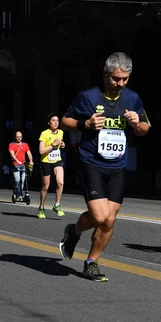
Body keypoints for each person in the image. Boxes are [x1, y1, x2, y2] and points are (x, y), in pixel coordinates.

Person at [59, 52, 150, 282]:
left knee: (109, 220)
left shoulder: (133, 98)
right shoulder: (87, 97)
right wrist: (85, 123)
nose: (120, 84)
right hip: (91, 162)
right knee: (101, 218)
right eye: (116, 79)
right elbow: (64, 121)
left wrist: (136, 124)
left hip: (118, 165)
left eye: (125, 79)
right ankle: (75, 231)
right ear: (105, 74)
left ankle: (91, 261)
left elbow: (145, 129)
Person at [38, 114, 66, 218]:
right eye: (53, 121)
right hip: (46, 161)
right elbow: (41, 151)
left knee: (60, 182)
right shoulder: (44, 134)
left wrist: (62, 144)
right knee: (46, 186)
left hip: (57, 160)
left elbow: (60, 143)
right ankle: (41, 207)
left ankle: (57, 205)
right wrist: (53, 145)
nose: (55, 122)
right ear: (49, 122)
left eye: (57, 121)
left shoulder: (61, 132)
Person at [9, 131, 33, 202]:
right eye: (18, 137)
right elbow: (12, 154)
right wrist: (17, 160)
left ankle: (20, 195)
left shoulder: (25, 145)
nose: (19, 138)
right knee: (17, 180)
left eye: (20, 137)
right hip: (15, 165)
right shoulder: (12, 145)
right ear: (15, 137)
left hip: (23, 165)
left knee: (22, 181)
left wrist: (31, 160)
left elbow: (29, 153)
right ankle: (15, 193)